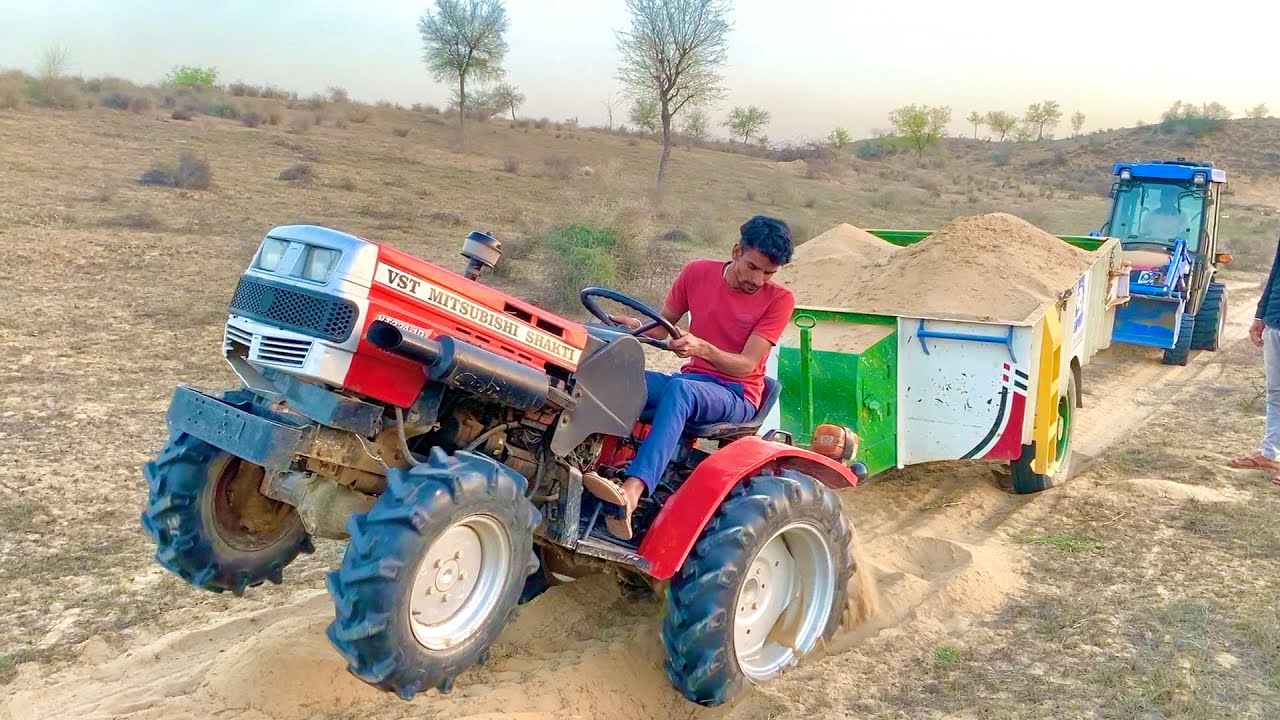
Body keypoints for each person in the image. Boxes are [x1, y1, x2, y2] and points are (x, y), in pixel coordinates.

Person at [581, 215, 797, 539]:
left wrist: (702, 348)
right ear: (737, 251)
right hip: (692, 380)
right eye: (754, 267)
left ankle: (632, 491)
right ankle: (579, 468)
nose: (759, 279)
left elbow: (747, 365)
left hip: (736, 393)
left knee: (682, 391)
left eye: (769, 273)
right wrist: (633, 327)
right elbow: (662, 324)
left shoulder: (779, 300)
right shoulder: (697, 273)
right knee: (618, 378)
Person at [1232, 235, 1280, 485]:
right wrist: (1260, 316)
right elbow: (1275, 273)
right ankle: (1270, 454)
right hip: (1275, 320)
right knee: (1275, 392)